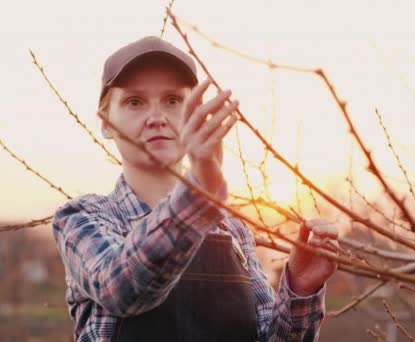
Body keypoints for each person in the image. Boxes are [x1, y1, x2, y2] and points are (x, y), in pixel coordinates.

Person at [52, 36, 339, 342]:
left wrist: (300, 290)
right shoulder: (82, 219)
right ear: (106, 123)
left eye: (173, 100)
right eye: (134, 102)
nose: (157, 118)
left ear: (197, 113)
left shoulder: (234, 232)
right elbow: (123, 289)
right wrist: (197, 194)